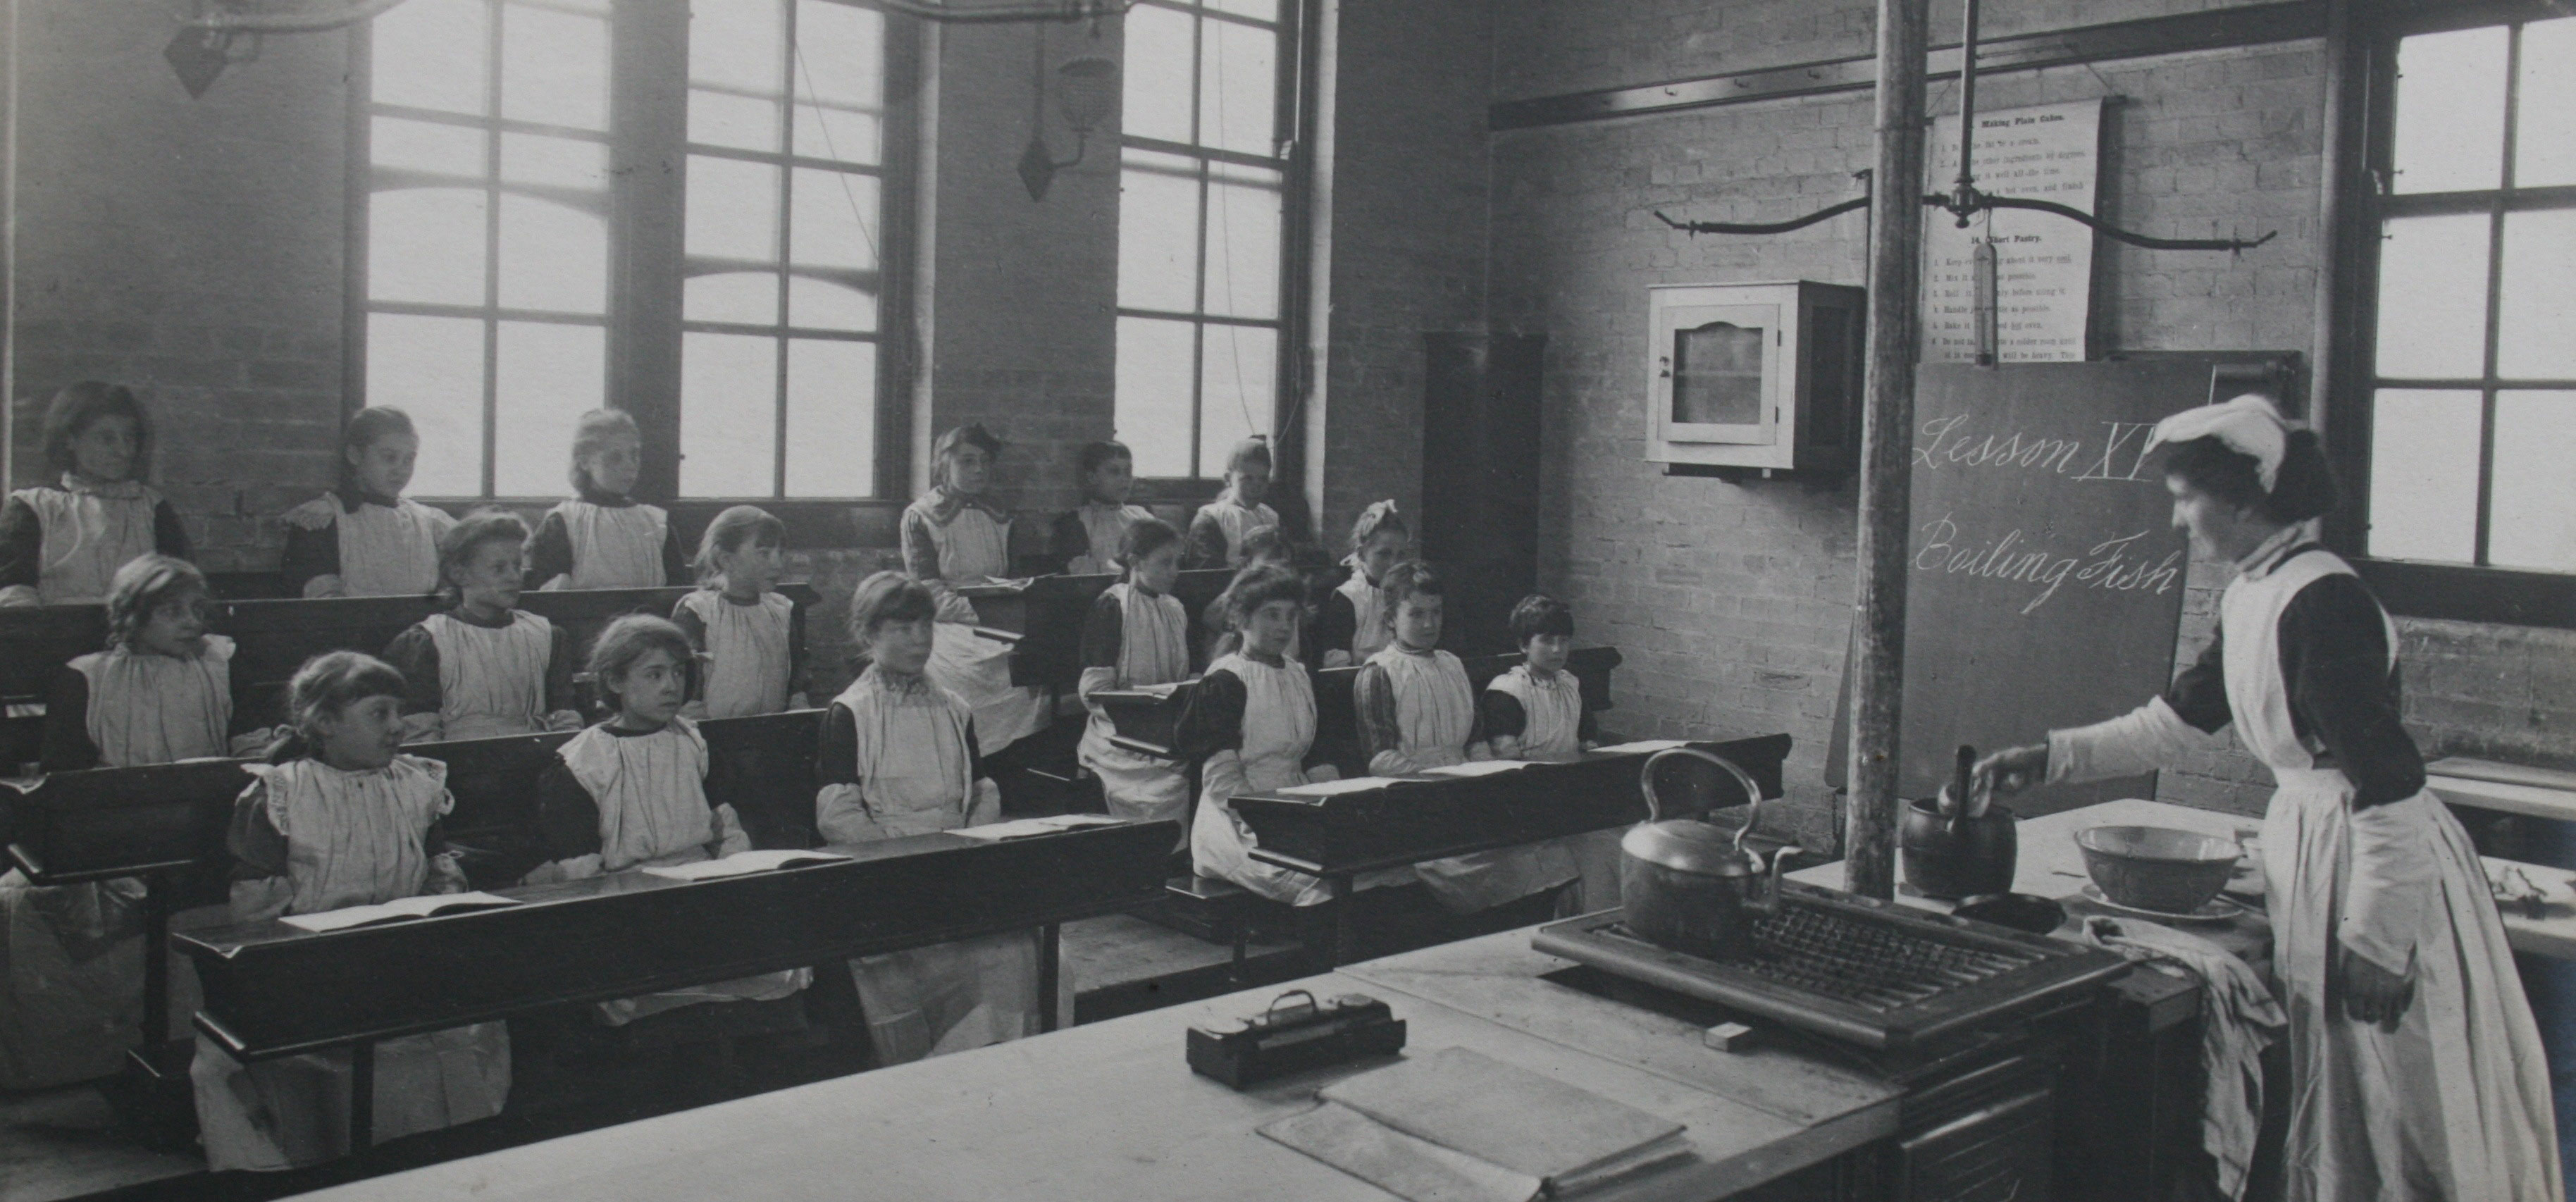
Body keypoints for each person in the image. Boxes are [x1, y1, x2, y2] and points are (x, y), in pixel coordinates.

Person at [1974, 395, 2559, 1202]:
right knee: (2346, 1092)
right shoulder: (2256, 591)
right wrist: (2048, 758)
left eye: (2186, 498)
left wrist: (2380, 940)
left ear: (2243, 499)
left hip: (2373, 860)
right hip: (2320, 845)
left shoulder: (2321, 599)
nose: (2176, 520)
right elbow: (2176, 721)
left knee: (2401, 1096)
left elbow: (2388, 783)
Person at [190, 652, 510, 1171]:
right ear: (324, 723)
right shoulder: (281, 794)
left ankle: (445, 1160)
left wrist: (440, 908)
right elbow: (256, 907)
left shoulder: (415, 784)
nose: (397, 727)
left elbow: (434, 868)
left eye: (398, 713)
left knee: (458, 1025)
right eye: (378, 714)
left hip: (402, 951)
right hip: (310, 963)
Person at [1, 557, 261, 1090]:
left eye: (198, 609)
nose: (192, 622)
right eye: (171, 612)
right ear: (131, 616)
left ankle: (192, 1058)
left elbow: (247, 745)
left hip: (206, 828)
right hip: (111, 836)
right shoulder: (88, 676)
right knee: (22, 904)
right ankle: (75, 1064)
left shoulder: (222, 665)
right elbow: (65, 780)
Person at [815, 572, 1063, 1064]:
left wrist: (966, 847)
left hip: (957, 862)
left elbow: (982, 788)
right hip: (885, 872)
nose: (920, 640)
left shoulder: (955, 707)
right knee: (929, 961)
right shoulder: (850, 712)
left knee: (1024, 951)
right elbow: (839, 815)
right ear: (870, 635)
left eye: (926, 626)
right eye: (903, 628)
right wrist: (906, 866)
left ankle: (1008, 1072)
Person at [526, 616, 808, 1024]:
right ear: (616, 682)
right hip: (627, 899)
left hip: (704, 886)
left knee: (771, 952)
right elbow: (580, 864)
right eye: (654, 674)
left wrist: (737, 879)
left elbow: (726, 828)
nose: (671, 686)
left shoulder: (694, 741)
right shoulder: (583, 761)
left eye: (678, 672)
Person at [1175, 566, 1407, 905]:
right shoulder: (1225, 681)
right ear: (1241, 619)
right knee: (1320, 886)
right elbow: (1222, 782)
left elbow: (1316, 755)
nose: (1284, 626)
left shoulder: (1299, 674)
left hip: (1295, 808)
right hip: (1237, 824)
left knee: (1373, 868)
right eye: (1271, 615)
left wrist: (1329, 811)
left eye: (1290, 616)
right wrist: (1277, 826)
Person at [1356, 562, 1575, 915]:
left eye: (1436, 613)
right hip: (1411, 802)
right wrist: (1442, 790)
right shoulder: (1379, 672)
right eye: (1416, 614)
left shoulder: (1452, 665)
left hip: (1463, 794)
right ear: (1391, 619)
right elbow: (1381, 757)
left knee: (1545, 853)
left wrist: (1485, 788)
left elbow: (1475, 742)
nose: (1429, 624)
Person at [900, 422, 1043, 753]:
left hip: (1000, 616)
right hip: (947, 620)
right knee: (970, 671)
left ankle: (1017, 758)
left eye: (985, 462)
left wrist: (1008, 608)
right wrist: (986, 614)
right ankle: (968, 753)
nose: (979, 469)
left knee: (1025, 662)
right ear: (943, 464)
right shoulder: (920, 517)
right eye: (967, 461)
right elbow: (928, 593)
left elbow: (1014, 578)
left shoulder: (1000, 516)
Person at [382, 511, 581, 743]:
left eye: (517, 567)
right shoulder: (429, 640)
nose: (514, 578)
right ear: (460, 574)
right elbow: (421, 734)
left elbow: (564, 717)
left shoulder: (547, 635)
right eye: (499, 569)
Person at [1483, 593, 1620, 912]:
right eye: (1547, 641)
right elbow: (1507, 763)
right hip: (1525, 802)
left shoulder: (1571, 685)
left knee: (1617, 843)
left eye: (1564, 640)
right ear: (1523, 645)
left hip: (1570, 793)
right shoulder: (1507, 692)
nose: (1558, 650)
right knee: (1588, 853)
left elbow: (1588, 744)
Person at [0, 381, 190, 606]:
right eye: (107, 439)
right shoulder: (33, 507)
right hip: (57, 635)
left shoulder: (152, 507)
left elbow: (178, 592)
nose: (124, 451)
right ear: (70, 439)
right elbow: (15, 596)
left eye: (129, 438)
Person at [1075, 518, 1193, 829]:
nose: (1175, 572)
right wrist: (1141, 716)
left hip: (1166, 730)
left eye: (1177, 563)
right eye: (1165, 563)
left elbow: (1183, 675)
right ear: (1135, 562)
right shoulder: (1114, 606)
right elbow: (1094, 691)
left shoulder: (1175, 608)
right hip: (1118, 735)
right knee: (1160, 788)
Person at [279, 407, 454, 597]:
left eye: (409, 459)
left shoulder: (428, 522)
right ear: (354, 456)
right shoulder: (324, 519)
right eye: (389, 457)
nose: (401, 470)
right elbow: (319, 592)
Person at [525, 408, 688, 590]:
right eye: (615, 457)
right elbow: (547, 597)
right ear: (585, 462)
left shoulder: (657, 523)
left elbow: (677, 591)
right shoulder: (564, 522)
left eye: (634, 455)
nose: (630, 466)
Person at [671, 505, 807, 719]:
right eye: (764, 554)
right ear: (726, 559)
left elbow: (796, 690)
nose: (778, 564)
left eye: (780, 553)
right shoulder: (699, 611)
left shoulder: (782, 611)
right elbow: (687, 698)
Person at [1313, 500, 1408, 667]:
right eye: (1384, 554)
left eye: (1400, 555)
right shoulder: (1350, 597)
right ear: (1362, 554)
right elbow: (1336, 661)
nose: (1393, 563)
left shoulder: (1407, 594)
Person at [1050, 440, 1156, 576]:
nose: (1124, 479)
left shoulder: (1142, 517)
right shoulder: (1076, 523)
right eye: (1114, 472)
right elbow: (1083, 577)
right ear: (1092, 477)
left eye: (1128, 472)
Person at [1202, 527, 1301, 664]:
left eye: (1286, 565)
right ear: (1246, 564)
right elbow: (1216, 657)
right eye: (1270, 564)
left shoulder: (1290, 604)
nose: (1279, 572)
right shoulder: (1226, 605)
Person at [1184, 435, 1281, 569]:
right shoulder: (1212, 518)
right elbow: (1205, 574)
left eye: (1263, 479)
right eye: (1248, 479)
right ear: (1229, 478)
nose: (1257, 486)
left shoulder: (1270, 516)